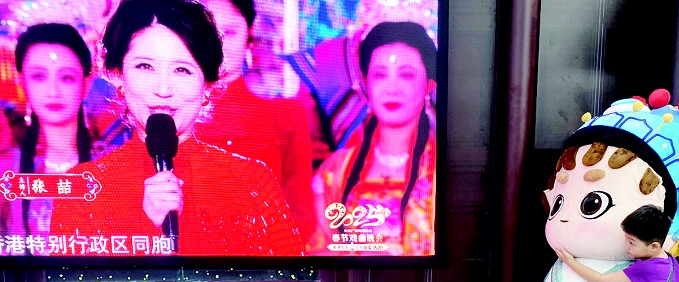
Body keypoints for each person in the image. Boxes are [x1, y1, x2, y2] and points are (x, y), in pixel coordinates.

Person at [49, 0, 304, 257]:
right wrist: (148, 231)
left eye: (182, 70)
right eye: (145, 66)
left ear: (208, 85)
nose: (163, 89)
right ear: (118, 75)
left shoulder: (254, 183)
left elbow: (296, 279)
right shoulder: (83, 190)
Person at [310, 21, 437, 256]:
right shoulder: (335, 171)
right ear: (366, 83)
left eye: (406, 75)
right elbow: (318, 251)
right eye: (380, 75)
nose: (392, 88)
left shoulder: (444, 169)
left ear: (429, 85)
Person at [196, 0, 316, 248]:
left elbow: (302, 218)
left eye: (229, 32)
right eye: (207, 32)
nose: (218, 44)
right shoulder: (163, 118)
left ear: (249, 36)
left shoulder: (286, 116)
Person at [1, 23, 93, 243]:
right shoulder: (6, 171)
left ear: (85, 85)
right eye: (38, 77)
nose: (53, 92)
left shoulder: (115, 165)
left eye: (67, 78)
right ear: (22, 83)